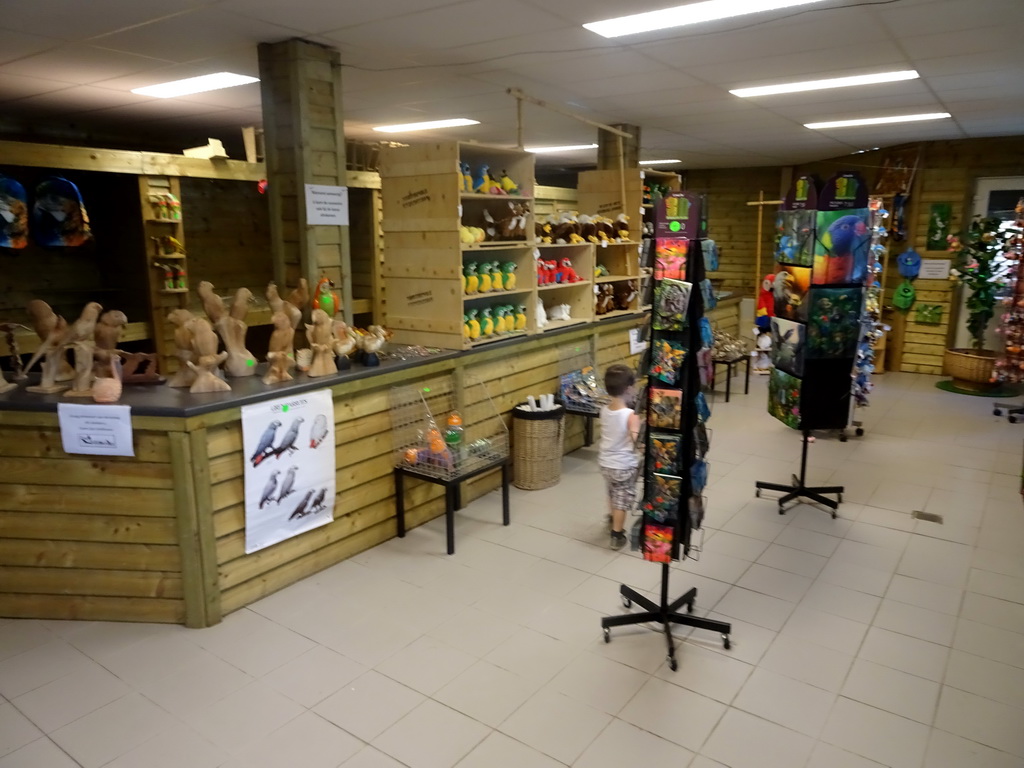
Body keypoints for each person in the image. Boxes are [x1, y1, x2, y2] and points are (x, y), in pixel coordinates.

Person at [599, 364, 640, 550]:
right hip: (624, 466)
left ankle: (611, 515)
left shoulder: (604, 410)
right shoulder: (631, 415)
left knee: (611, 491)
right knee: (622, 499)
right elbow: (635, 439)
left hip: (606, 463)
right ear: (629, 389)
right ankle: (617, 534)